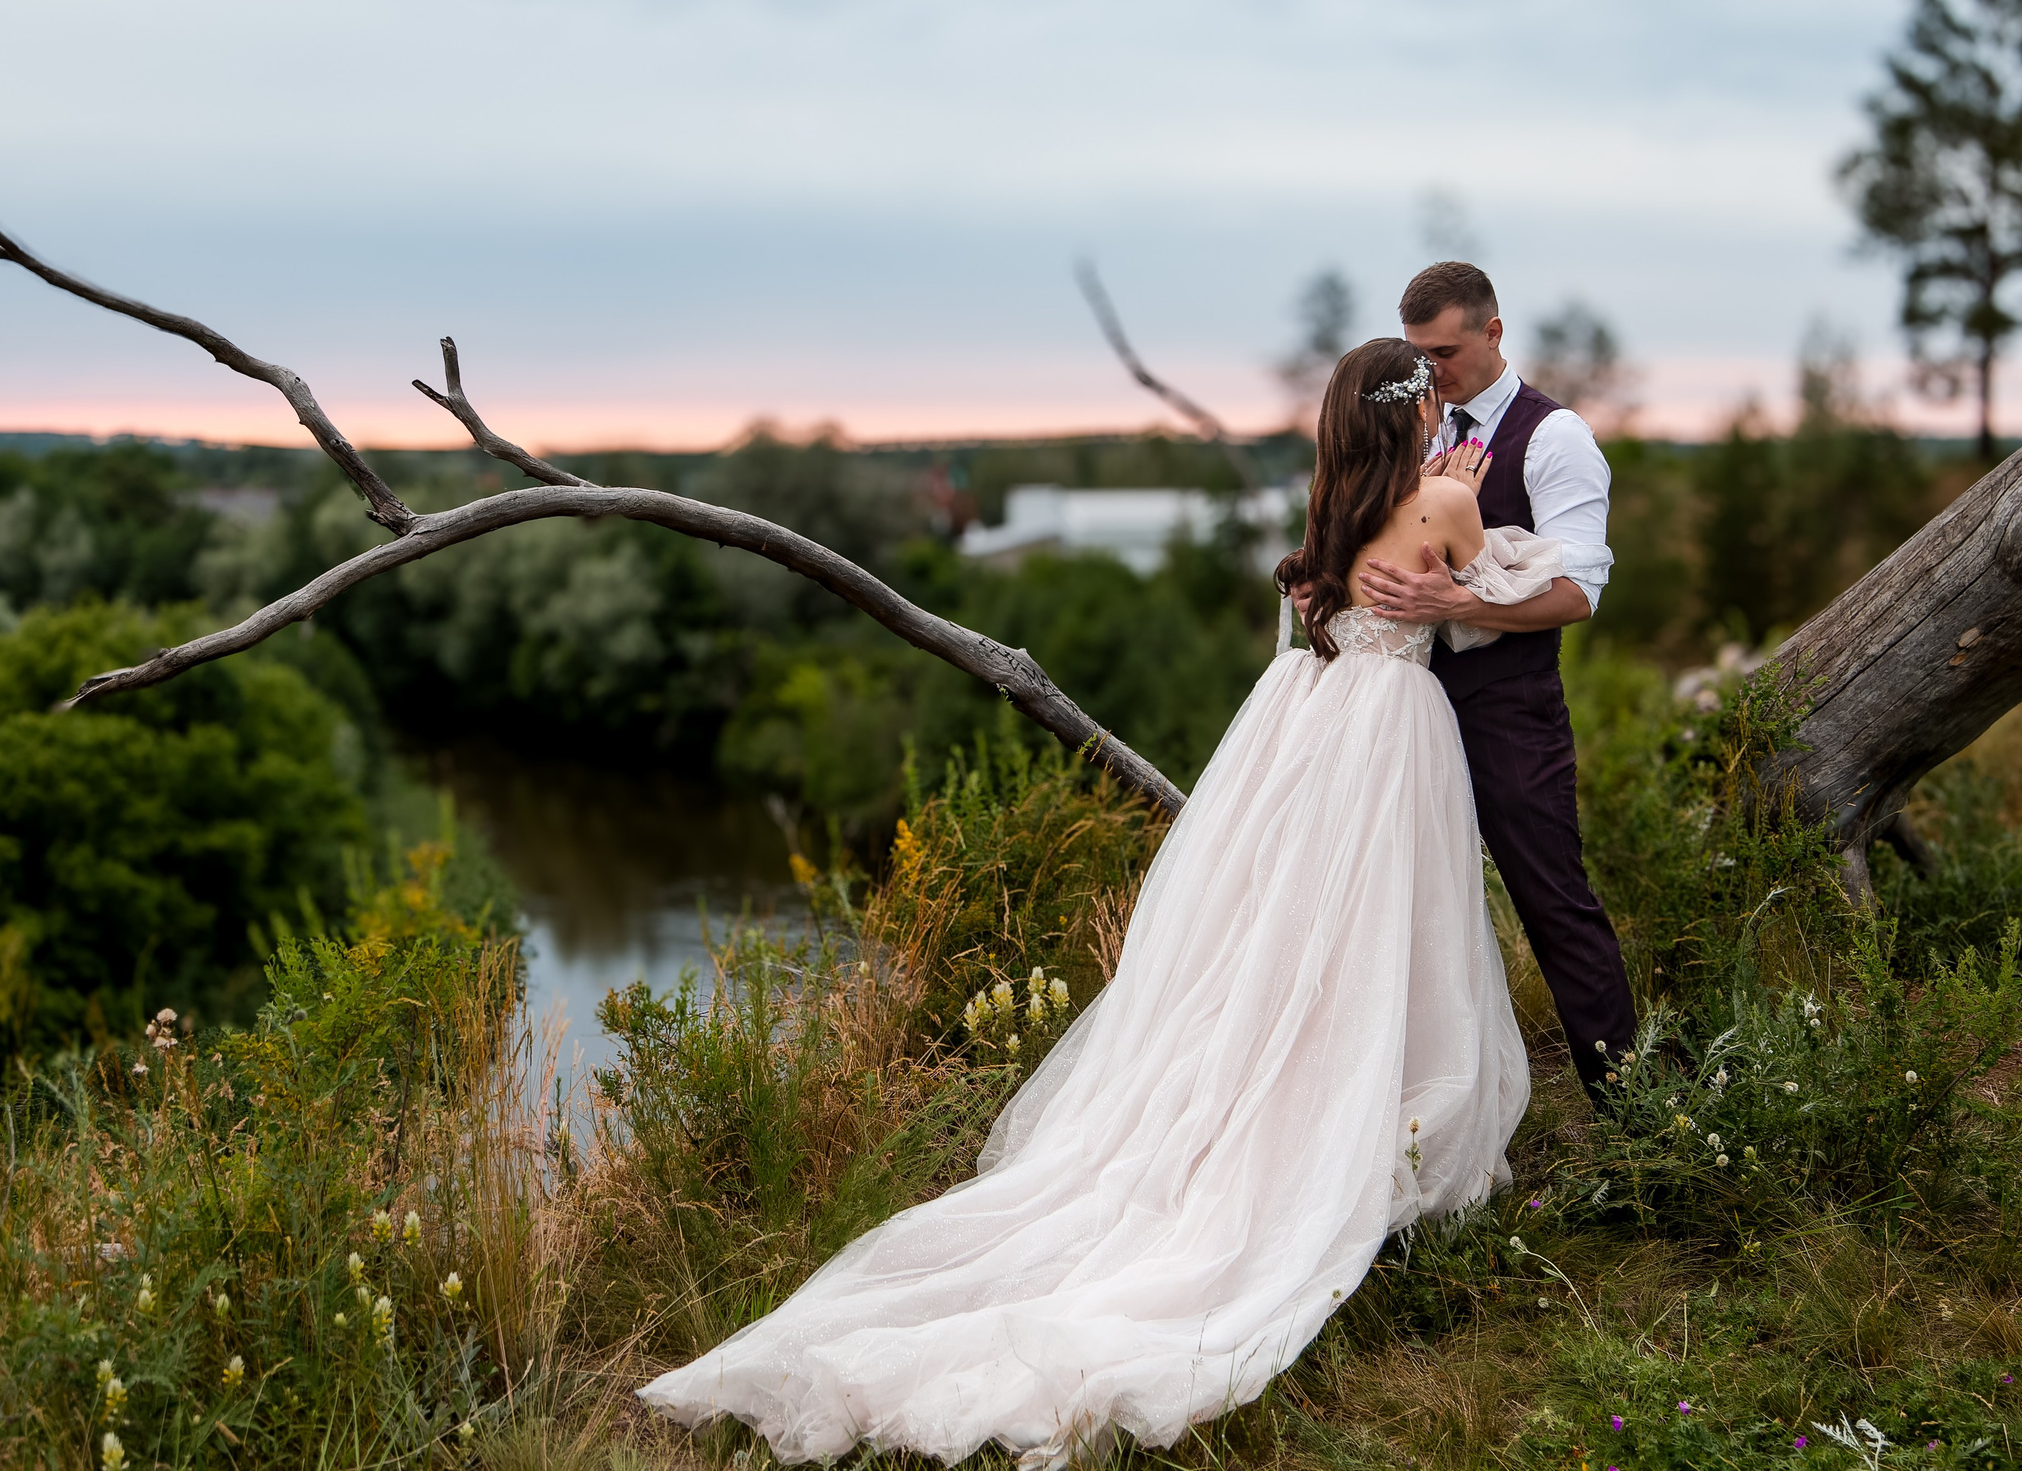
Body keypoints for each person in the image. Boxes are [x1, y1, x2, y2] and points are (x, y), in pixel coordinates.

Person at [638, 339, 1533, 1468]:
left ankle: (1301, 1091)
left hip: (1304, 736)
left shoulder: (1327, 519)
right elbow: (1504, 605)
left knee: (1284, 937)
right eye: (1432, 401)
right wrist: (1470, 527)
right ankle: (1366, 1106)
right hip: (1389, 736)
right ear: (1410, 415)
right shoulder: (1446, 499)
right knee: (1383, 933)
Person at [1356, 261, 1639, 1099]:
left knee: (1552, 901)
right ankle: (1398, 1109)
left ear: (1493, 332)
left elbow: (1578, 593)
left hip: (1506, 711)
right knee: (1392, 910)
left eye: (1443, 353)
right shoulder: (1406, 429)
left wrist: (1460, 601)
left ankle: (1633, 1107)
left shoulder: (1555, 438)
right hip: (1392, 710)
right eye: (1417, 355)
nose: (1428, 372)